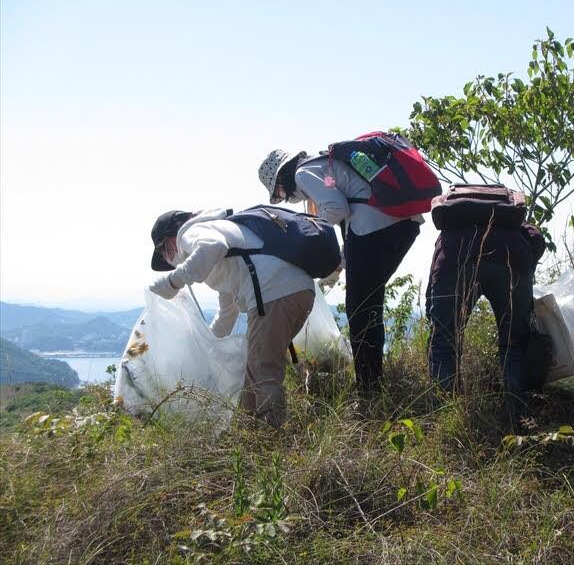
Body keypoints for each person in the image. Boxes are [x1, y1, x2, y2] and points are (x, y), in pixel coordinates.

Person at [259, 148, 422, 395]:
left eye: (279, 193)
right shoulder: (322, 165)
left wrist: (307, 238)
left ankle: (368, 390)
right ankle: (372, 383)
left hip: (379, 227)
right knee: (367, 304)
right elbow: (349, 209)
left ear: (281, 178)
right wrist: (340, 264)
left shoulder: (304, 173)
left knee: (360, 309)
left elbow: (336, 208)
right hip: (400, 224)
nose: (284, 198)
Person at [148, 208, 316, 428]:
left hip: (273, 292)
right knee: (254, 366)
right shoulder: (222, 244)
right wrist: (205, 345)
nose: (169, 259)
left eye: (164, 252)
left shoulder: (190, 232)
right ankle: (246, 431)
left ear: (170, 239)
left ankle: (271, 438)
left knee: (263, 369)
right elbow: (227, 314)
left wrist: (172, 282)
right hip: (294, 290)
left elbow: (213, 247)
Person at [425, 218, 545, 412]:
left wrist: (434, 319)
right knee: (515, 343)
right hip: (513, 258)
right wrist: (527, 270)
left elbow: (434, 281)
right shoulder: (514, 224)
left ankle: (445, 411)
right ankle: (520, 418)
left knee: (444, 342)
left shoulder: (451, 232)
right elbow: (537, 239)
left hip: (455, 258)